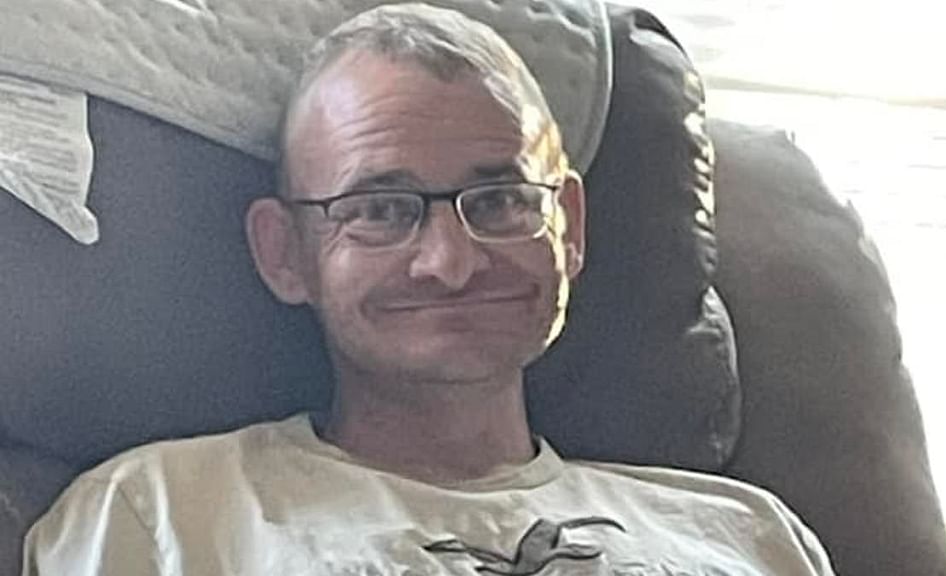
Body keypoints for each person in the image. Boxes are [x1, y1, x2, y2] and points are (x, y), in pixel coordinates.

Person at [22, 4, 835, 575]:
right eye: (380, 210)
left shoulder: (753, 536)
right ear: (284, 253)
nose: (451, 261)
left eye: (502, 200)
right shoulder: (155, 516)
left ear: (568, 227)